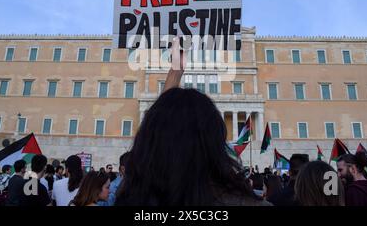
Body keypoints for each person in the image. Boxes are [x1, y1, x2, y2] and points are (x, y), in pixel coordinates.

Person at [115, 38, 270, 206]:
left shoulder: (131, 197)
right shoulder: (246, 202)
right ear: (213, 141)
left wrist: (174, 74)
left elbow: (159, 127)